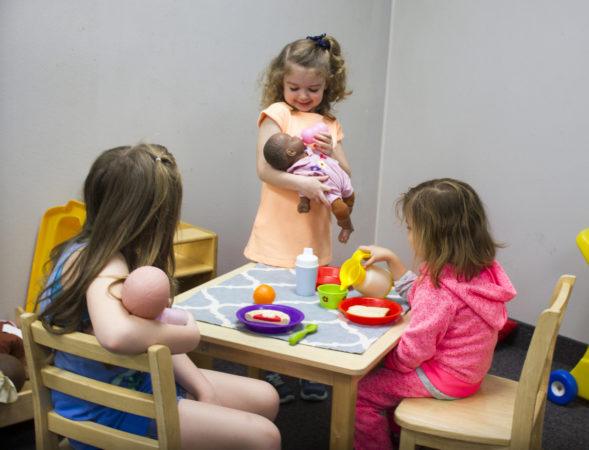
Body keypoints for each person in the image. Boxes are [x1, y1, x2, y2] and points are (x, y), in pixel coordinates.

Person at [37, 144, 281, 450]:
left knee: (266, 397)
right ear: (148, 217)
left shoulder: (96, 251)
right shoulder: (104, 264)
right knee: (264, 437)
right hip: (109, 409)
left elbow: (149, 336)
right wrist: (188, 334)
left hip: (138, 384)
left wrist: (203, 389)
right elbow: (119, 335)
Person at [354, 178, 517, 450]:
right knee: (388, 379)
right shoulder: (479, 270)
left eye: (410, 228)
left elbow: (413, 352)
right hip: (468, 372)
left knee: (361, 392)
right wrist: (393, 262)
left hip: (443, 379)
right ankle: (399, 429)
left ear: (430, 235)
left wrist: (380, 361)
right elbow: (421, 297)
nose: (408, 234)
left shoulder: (438, 287)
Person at [244, 33, 352, 403]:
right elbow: (265, 170)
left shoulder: (329, 125)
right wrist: (304, 184)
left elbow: (347, 173)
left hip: (313, 231)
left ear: (327, 86)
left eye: (313, 89)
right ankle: (272, 368)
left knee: (311, 298)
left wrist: (333, 151)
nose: (303, 96)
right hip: (278, 229)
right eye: (294, 87)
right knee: (270, 297)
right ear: (281, 83)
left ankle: (307, 368)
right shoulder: (276, 115)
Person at [263, 132, 355, 242]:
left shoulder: (310, 149)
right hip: (330, 191)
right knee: (341, 210)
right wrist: (304, 202)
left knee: (350, 200)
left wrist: (328, 148)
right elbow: (303, 187)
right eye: (292, 139)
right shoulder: (298, 170)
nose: (296, 136)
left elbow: (345, 168)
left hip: (342, 179)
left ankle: (345, 217)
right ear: (291, 152)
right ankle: (347, 226)